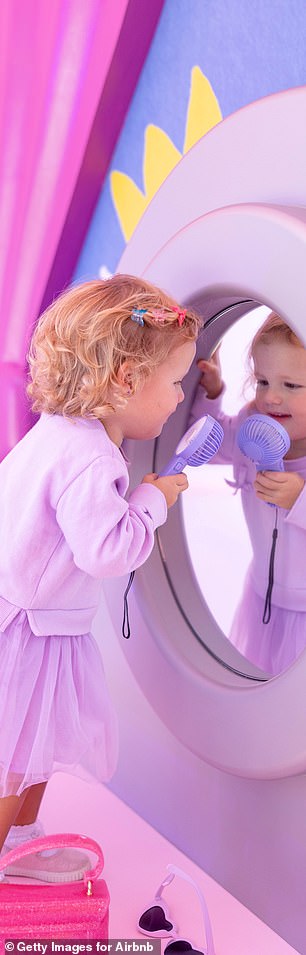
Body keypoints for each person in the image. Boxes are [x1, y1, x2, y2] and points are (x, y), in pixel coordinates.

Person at [0, 273, 201, 881]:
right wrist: (151, 499)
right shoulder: (90, 459)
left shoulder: (67, 435)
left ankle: (21, 843)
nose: (177, 398)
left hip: (39, 624)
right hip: (29, 634)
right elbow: (107, 550)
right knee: (14, 759)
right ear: (126, 380)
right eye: (173, 383)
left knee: (34, 749)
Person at [190, 311, 306, 676]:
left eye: (291, 386)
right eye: (262, 380)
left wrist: (300, 498)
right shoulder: (251, 430)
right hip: (262, 603)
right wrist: (212, 392)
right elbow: (200, 445)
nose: (271, 397)